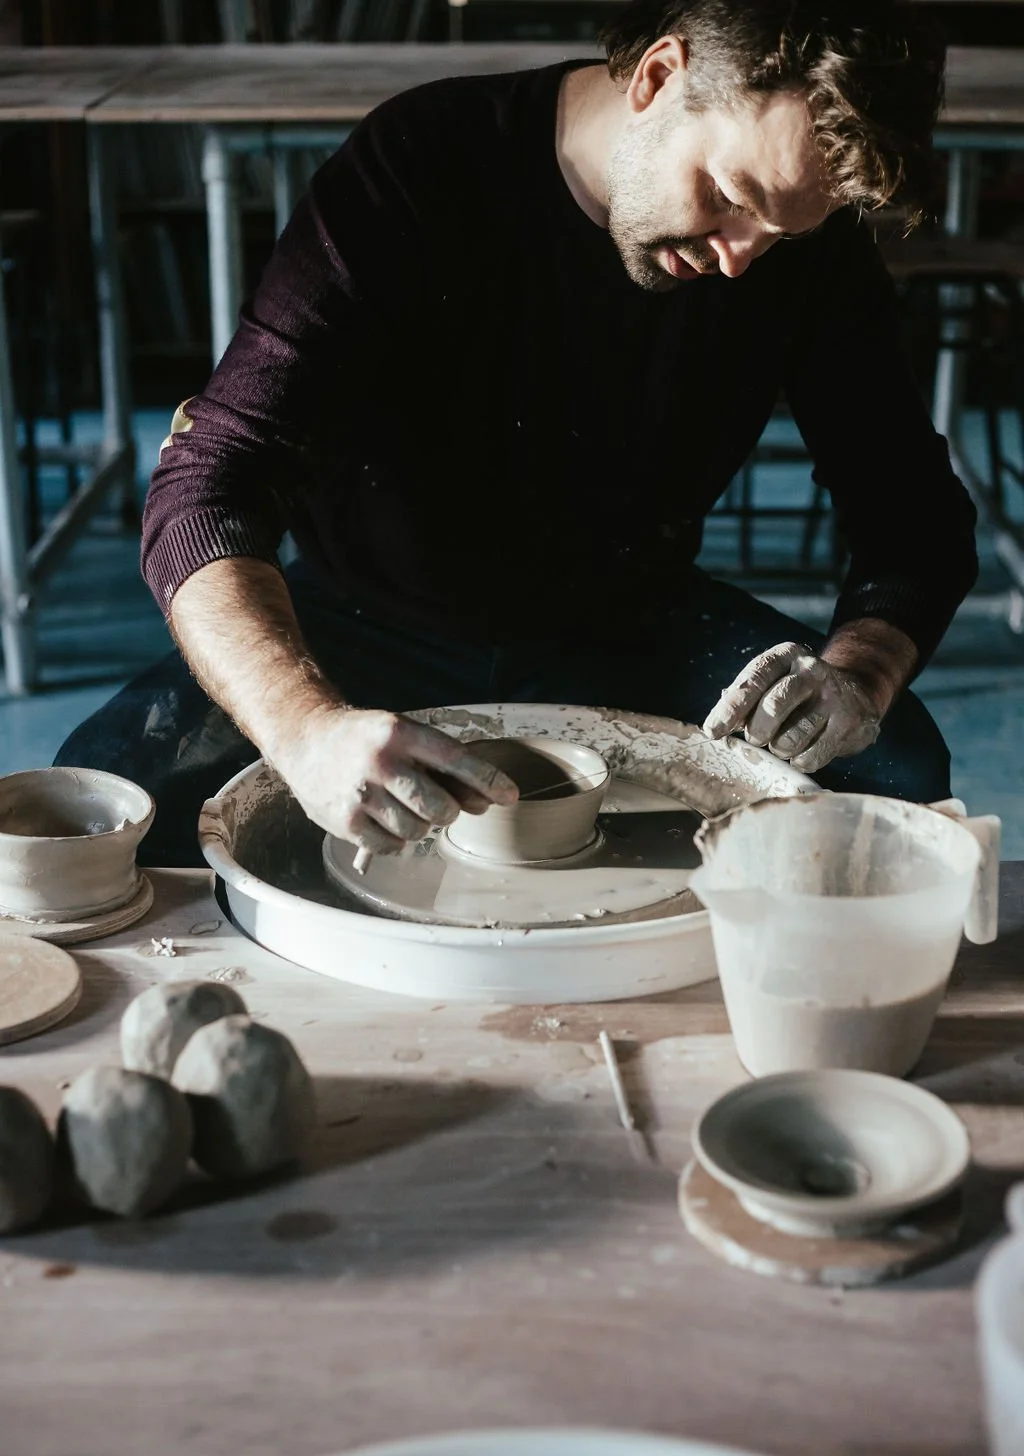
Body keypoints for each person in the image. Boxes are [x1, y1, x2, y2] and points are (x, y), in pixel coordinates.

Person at [58, 0, 978, 866]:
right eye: (729, 195)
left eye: (782, 232)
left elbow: (914, 516)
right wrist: (306, 729)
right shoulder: (418, 165)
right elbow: (208, 483)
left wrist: (858, 674)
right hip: (366, 614)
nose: (741, 258)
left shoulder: (794, 243)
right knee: (103, 802)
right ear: (659, 76)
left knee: (892, 772)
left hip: (631, 619)